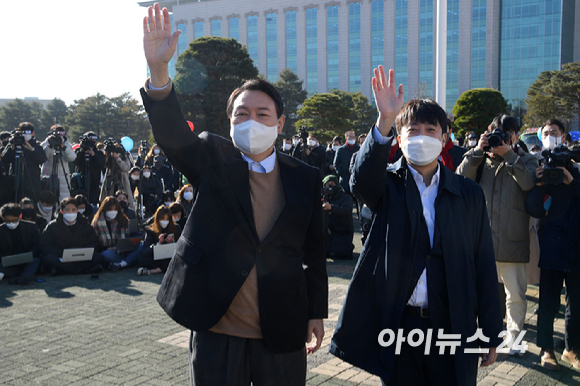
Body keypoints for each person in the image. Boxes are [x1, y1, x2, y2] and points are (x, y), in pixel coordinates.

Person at [140, 4, 328, 384]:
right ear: (229, 121)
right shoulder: (214, 157)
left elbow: (314, 253)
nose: (252, 121)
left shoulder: (304, 177)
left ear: (280, 122)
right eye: (242, 114)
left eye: (262, 113)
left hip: (281, 328)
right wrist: (159, 72)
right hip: (216, 324)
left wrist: (316, 311)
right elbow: (174, 136)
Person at [330, 66, 503, 386]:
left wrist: (491, 329)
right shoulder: (387, 186)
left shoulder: (468, 193)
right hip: (398, 325)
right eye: (413, 130)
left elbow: (483, 262)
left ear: (444, 137)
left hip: (454, 325)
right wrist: (384, 119)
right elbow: (360, 181)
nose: (422, 136)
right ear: (399, 138)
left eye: (430, 129)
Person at [456, 114, 538, 356]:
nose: (500, 138)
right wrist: (476, 151)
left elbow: (529, 183)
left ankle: (515, 340)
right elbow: (459, 179)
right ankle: (484, 336)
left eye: (506, 134)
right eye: (495, 133)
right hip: (482, 242)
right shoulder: (480, 160)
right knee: (481, 294)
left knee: (516, 296)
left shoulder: (526, 159)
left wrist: (509, 155)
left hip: (513, 238)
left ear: (515, 136)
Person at [526, 140, 580, 371]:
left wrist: (573, 182)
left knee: (576, 305)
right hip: (551, 247)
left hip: (576, 248)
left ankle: (572, 349)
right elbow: (535, 210)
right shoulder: (545, 177)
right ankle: (546, 349)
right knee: (547, 303)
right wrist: (539, 184)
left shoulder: (577, 176)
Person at [41, 197, 103, 275]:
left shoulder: (85, 224)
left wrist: (83, 252)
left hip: (81, 257)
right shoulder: (52, 226)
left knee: (98, 257)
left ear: (77, 211)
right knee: (48, 259)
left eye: (73, 210)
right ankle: (82, 270)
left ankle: (63, 271)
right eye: (67, 210)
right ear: (61, 211)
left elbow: (94, 242)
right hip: (61, 257)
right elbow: (46, 246)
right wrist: (61, 253)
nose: (71, 212)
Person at [1, 122, 47, 203]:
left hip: (32, 183)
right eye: (23, 132)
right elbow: (4, 159)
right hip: (15, 182)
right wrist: (12, 147)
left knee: (31, 204)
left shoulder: (36, 146)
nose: (25, 135)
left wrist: (32, 150)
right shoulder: (12, 145)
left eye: (28, 132)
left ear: (33, 133)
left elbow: (42, 159)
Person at [92, 197, 141, 272]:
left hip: (124, 251)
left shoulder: (124, 220)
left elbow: (130, 236)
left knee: (141, 246)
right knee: (105, 254)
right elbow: (95, 243)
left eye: (115, 209)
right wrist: (107, 248)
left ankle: (121, 264)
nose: (113, 212)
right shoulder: (97, 222)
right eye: (110, 209)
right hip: (110, 252)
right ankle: (128, 262)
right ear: (104, 210)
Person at [0, 203, 41, 285]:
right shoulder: (1, 230)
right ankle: (24, 276)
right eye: (8, 221)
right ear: (3, 218)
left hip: (28, 260)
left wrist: (30, 255)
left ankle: (22, 277)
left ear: (20, 216)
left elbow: (38, 244)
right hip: (8, 262)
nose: (11, 223)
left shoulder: (31, 227)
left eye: (14, 220)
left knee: (35, 261)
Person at [136, 205, 180, 276]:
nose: (164, 222)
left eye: (167, 219)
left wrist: (173, 242)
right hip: (156, 259)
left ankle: (153, 271)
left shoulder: (176, 228)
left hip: (170, 257)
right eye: (162, 219)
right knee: (144, 260)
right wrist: (158, 245)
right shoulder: (151, 231)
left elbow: (181, 247)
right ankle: (163, 269)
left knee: (176, 261)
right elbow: (145, 252)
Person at [40, 124, 76, 202]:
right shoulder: (47, 142)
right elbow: (43, 157)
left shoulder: (66, 142)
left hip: (63, 178)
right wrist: (50, 146)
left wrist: (64, 147)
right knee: (48, 200)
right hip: (49, 176)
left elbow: (72, 158)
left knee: (63, 201)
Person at [322, 175, 354, 260]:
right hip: (328, 230)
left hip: (342, 230)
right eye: (328, 184)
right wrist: (325, 227)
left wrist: (331, 208)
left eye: (333, 184)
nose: (330, 186)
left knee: (341, 254)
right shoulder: (322, 197)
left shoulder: (345, 197)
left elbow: (346, 211)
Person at [73, 131, 105, 205]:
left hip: (94, 183)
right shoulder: (79, 151)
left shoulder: (98, 153)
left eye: (94, 141)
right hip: (81, 182)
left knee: (93, 202)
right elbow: (75, 162)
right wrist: (82, 150)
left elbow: (101, 164)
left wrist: (93, 155)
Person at [99, 143, 134, 208]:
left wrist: (117, 158)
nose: (118, 148)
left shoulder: (125, 156)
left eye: (119, 147)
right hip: (111, 182)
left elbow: (125, 168)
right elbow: (104, 164)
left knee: (123, 199)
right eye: (116, 147)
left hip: (122, 182)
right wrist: (107, 154)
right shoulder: (110, 157)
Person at [334, 130, 360, 194]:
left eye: (353, 137)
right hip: (344, 180)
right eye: (350, 137)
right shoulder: (340, 150)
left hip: (356, 179)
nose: (352, 139)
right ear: (346, 138)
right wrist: (341, 173)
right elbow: (336, 164)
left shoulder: (359, 148)